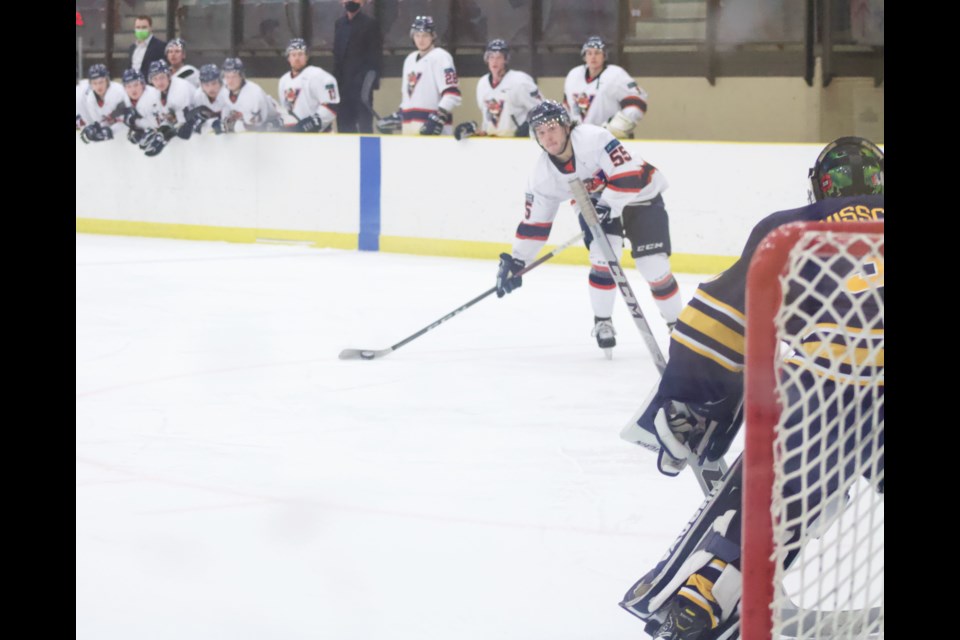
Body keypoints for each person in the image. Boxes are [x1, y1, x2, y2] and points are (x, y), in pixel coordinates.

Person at [618, 137, 885, 639]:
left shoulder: (791, 229)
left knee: (778, 496)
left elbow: (723, 321)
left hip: (826, 393)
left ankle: (707, 591)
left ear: (819, 184)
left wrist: (687, 407)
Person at [494, 100, 682, 354]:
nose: (547, 137)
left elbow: (628, 175)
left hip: (641, 195)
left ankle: (678, 328)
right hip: (593, 203)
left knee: (654, 266)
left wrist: (608, 204)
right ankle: (603, 321)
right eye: (540, 132)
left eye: (551, 128)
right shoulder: (542, 177)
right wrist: (517, 261)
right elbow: (535, 224)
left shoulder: (594, 138)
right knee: (605, 255)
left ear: (566, 126)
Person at [376, 16, 462, 136]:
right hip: (409, 130)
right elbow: (408, 99)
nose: (421, 40)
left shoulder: (441, 57)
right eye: (417, 35)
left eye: (425, 35)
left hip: (433, 132)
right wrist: (398, 116)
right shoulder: (409, 60)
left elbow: (452, 94)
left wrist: (439, 116)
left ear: (433, 36)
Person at [453, 39, 542, 140]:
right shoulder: (482, 84)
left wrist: (528, 126)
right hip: (493, 144)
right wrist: (474, 129)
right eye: (491, 57)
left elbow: (540, 109)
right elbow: (487, 121)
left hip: (517, 143)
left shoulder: (520, 81)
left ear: (505, 59)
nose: (494, 61)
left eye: (499, 57)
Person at [563, 36, 648, 140]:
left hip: (610, 140)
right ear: (584, 57)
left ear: (604, 56)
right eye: (589, 53)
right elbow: (566, 107)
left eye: (597, 53)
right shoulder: (574, 75)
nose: (593, 57)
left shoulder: (616, 75)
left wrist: (618, 126)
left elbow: (638, 101)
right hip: (580, 139)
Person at [333, 0, 383, 133]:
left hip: (362, 88)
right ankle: (346, 154)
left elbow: (375, 58)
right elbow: (337, 56)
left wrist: (369, 84)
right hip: (342, 87)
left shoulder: (370, 24)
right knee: (344, 127)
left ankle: (368, 154)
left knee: (364, 127)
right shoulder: (339, 24)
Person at [278, 38, 340, 133]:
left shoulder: (319, 76)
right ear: (288, 58)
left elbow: (331, 106)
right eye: (293, 55)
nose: (297, 58)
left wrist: (309, 124)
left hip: (320, 136)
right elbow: (286, 109)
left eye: (300, 54)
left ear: (306, 57)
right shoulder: (283, 81)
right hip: (295, 137)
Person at [218, 57, 282, 133]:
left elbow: (257, 125)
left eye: (234, 76)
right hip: (251, 120)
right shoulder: (223, 90)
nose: (230, 81)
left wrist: (235, 124)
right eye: (227, 76)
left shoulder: (254, 93)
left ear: (241, 76)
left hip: (275, 118)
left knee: (238, 127)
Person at [176, 63, 231, 139]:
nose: (211, 88)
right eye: (206, 85)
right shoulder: (197, 96)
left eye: (214, 83)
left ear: (220, 82)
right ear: (201, 85)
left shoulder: (228, 93)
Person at [78, 64, 127, 143]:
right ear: (90, 84)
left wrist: (110, 130)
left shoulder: (119, 92)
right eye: (94, 83)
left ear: (107, 80)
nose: (98, 86)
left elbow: (128, 121)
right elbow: (100, 122)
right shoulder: (91, 98)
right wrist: (93, 130)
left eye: (101, 82)